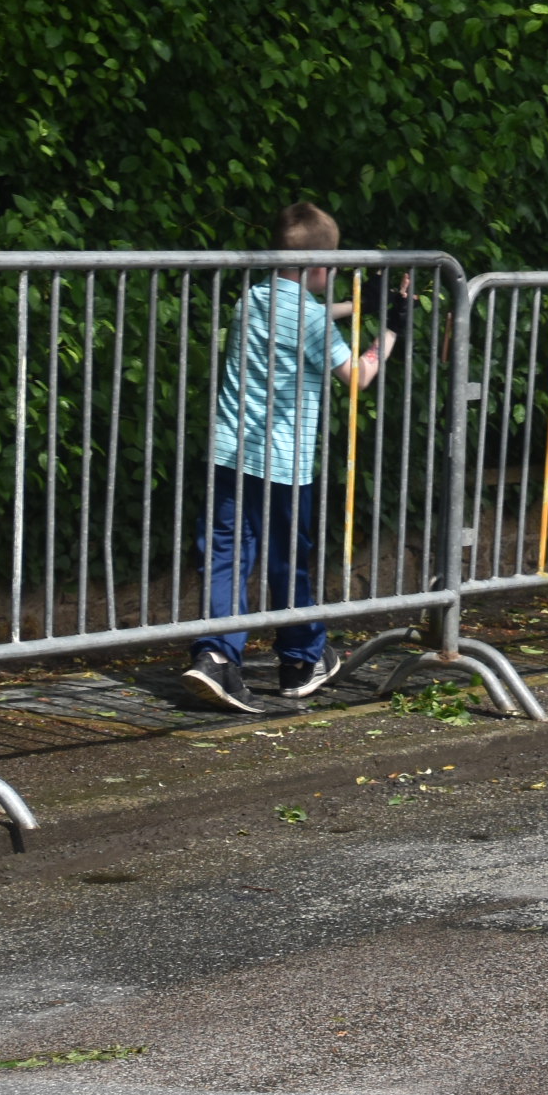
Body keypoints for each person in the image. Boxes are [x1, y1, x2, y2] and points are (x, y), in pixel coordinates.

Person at [183, 202, 407, 714]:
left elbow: (300, 318)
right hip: (283, 463)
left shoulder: (251, 300)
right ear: (321, 266)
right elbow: (359, 376)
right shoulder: (309, 320)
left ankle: (215, 658)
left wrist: (356, 305)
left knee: (226, 556)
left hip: (229, 455)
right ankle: (300, 660)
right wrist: (391, 327)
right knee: (287, 561)